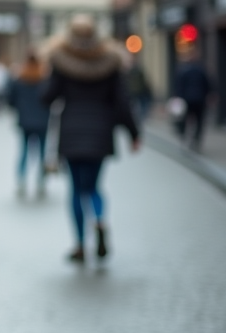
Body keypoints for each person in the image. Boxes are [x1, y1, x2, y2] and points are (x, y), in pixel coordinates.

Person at [42, 15, 140, 264]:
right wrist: (133, 133)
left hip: (72, 131)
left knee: (76, 189)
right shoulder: (111, 61)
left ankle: (79, 245)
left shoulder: (61, 61)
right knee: (94, 186)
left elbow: (47, 96)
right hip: (101, 131)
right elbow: (122, 103)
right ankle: (99, 220)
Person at [8, 51, 51, 198]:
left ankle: (21, 180)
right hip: (43, 121)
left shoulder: (19, 79)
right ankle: (41, 181)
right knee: (42, 152)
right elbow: (50, 98)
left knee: (24, 151)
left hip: (25, 121)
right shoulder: (44, 79)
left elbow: (11, 100)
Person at [173, 50, 213, 152]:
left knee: (185, 119)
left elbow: (178, 86)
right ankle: (196, 139)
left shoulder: (183, 70)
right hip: (200, 100)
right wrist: (210, 95)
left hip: (187, 100)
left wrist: (178, 97)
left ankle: (184, 137)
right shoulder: (201, 70)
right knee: (199, 121)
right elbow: (208, 84)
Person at [124, 54, 154, 120]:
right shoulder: (130, 71)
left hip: (137, 91)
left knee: (138, 104)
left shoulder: (134, 71)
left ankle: (140, 116)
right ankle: (140, 116)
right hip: (135, 91)